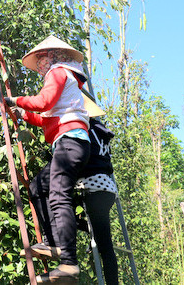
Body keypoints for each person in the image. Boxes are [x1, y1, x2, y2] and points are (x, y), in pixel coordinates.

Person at [5, 35, 91, 284]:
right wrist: (23, 114)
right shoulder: (67, 78)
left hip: (70, 141)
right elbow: (46, 117)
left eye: (41, 59)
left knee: (58, 195)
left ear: (52, 56)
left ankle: (69, 263)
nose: (40, 66)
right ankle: (54, 243)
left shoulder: (58, 72)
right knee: (39, 186)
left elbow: (43, 103)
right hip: (69, 142)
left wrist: (15, 100)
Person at [75, 117, 119, 284]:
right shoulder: (101, 131)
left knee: (105, 246)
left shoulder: (84, 128)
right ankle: (87, 228)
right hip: (107, 188)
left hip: (93, 188)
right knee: (104, 242)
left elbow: (81, 157)